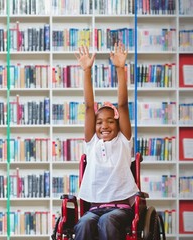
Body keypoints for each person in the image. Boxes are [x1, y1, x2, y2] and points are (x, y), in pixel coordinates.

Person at [73, 42, 139, 240]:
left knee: (107, 221)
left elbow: (123, 105)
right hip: (94, 208)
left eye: (111, 121)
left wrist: (120, 68)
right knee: (83, 223)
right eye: (100, 122)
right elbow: (88, 106)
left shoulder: (123, 142)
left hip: (120, 209)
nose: (104, 126)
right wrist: (86, 71)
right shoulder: (92, 142)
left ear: (118, 125)